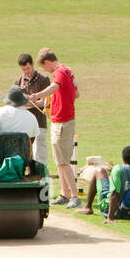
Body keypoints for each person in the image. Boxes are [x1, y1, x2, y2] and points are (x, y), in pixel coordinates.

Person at [27, 49, 80, 207]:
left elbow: (53, 88)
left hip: (62, 121)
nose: (46, 71)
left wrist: (37, 95)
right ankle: (65, 194)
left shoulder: (59, 72)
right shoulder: (68, 72)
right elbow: (76, 94)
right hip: (63, 119)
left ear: (47, 62)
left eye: (44, 67)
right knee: (59, 160)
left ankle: (74, 196)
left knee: (63, 162)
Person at [14, 54, 50, 171]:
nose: (26, 72)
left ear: (32, 65)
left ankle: (42, 175)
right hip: (23, 123)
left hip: (39, 121)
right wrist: (28, 103)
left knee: (40, 151)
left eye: (28, 68)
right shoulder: (18, 81)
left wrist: (28, 103)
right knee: (25, 151)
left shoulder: (43, 79)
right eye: (24, 69)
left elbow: (45, 102)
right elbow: (14, 101)